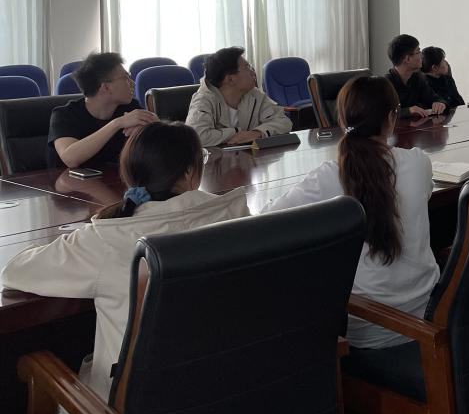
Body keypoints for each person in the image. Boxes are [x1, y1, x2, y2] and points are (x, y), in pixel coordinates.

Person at [3, 122, 247, 414]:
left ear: (130, 176)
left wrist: (75, 239)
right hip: (228, 403)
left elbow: (14, 271)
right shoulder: (235, 213)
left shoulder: (107, 239)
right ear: (191, 172)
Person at [261, 76, 438, 352]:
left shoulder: (331, 176)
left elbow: (268, 220)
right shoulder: (418, 163)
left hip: (370, 333)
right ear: (391, 118)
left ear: (342, 121)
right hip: (430, 317)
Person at [47, 51, 157, 170]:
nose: (133, 83)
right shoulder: (64, 115)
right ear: (105, 87)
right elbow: (71, 159)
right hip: (67, 180)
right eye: (126, 78)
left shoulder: (130, 107)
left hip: (116, 178)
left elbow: (157, 146)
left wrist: (152, 125)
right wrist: (117, 123)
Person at [186, 47, 292, 148]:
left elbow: (284, 121)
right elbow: (197, 137)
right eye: (247, 67)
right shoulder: (203, 99)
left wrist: (257, 133)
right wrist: (237, 132)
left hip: (249, 158)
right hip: (216, 159)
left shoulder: (254, 94)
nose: (253, 72)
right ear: (230, 79)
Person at [385, 34, 446, 118]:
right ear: (407, 59)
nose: (422, 56)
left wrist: (440, 103)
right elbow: (383, 114)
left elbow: (435, 98)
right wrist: (408, 111)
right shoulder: (386, 84)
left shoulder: (417, 77)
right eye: (418, 52)